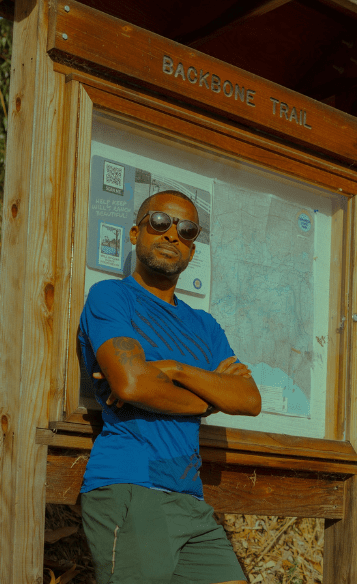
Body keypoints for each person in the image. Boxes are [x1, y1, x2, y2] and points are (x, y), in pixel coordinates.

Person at [78, 189, 262, 584]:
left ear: (192, 251)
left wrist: (175, 369)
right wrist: (209, 400)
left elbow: (248, 399)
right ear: (134, 233)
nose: (172, 234)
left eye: (187, 230)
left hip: (190, 499)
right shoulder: (111, 298)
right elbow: (130, 384)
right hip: (131, 486)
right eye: (159, 222)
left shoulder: (205, 326)